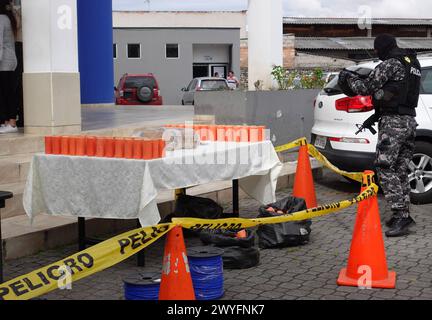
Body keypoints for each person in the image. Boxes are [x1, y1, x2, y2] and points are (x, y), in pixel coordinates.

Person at [339, 34, 421, 237]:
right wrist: (377, 115)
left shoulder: (391, 64)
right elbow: (398, 93)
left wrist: (348, 78)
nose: (377, 53)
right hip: (409, 121)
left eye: (377, 50)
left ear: (382, 48)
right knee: (400, 169)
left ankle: (400, 216)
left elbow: (366, 87)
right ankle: (404, 213)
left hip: (394, 123)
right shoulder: (412, 62)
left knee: (384, 167)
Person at [0, 0, 18, 134]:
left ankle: (11, 124)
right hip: (10, 59)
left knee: (7, 93)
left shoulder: (1, 19)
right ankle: (8, 122)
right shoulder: (8, 18)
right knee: (7, 92)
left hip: (4, 61)